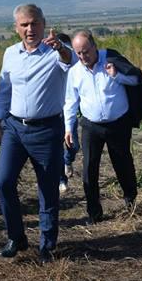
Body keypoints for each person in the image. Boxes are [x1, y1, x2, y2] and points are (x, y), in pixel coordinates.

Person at [0, 4, 75, 261]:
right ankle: (16, 238)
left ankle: (47, 245)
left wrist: (60, 47)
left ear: (43, 24)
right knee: (3, 182)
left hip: (47, 129)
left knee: (47, 189)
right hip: (15, 129)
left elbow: (70, 60)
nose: (30, 29)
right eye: (24, 24)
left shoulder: (54, 51)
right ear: (16, 27)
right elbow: (5, 89)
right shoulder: (10, 54)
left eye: (35, 23)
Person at [64, 30, 140, 224]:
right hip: (91, 125)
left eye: (86, 51)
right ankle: (94, 213)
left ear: (94, 46)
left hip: (118, 124)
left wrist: (116, 76)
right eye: (78, 53)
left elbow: (135, 80)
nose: (83, 57)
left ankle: (130, 201)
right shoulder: (75, 72)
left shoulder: (112, 59)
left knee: (123, 163)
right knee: (90, 168)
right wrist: (68, 128)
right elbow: (70, 102)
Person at [57, 32, 79, 194]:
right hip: (54, 111)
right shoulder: (51, 64)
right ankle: (61, 180)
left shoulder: (75, 63)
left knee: (73, 145)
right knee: (56, 147)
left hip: (70, 110)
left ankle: (68, 161)